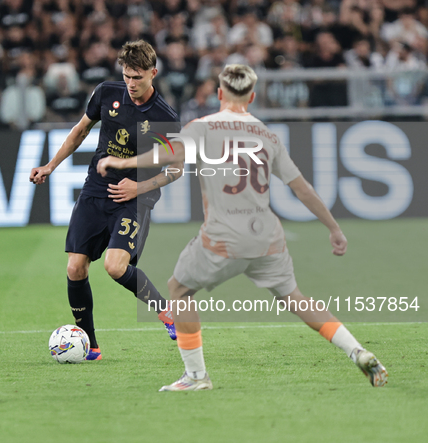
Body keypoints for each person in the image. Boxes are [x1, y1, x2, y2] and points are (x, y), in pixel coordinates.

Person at [97, 64, 388, 390]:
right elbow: (301, 187)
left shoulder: (203, 127)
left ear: (220, 94)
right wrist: (334, 228)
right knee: (295, 299)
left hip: (223, 237)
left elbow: (170, 153)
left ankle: (196, 376)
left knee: (178, 290)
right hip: (266, 235)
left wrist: (123, 162)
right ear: (251, 96)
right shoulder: (267, 134)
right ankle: (357, 350)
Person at [30, 40, 182, 361]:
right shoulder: (106, 93)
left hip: (134, 199)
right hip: (96, 191)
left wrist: (137, 190)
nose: (131, 83)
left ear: (153, 73)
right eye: (127, 76)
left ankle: (166, 311)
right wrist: (50, 166)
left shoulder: (163, 117)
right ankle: (90, 346)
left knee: (115, 266)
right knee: (75, 268)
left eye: (138, 77)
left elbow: (176, 169)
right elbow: (80, 131)